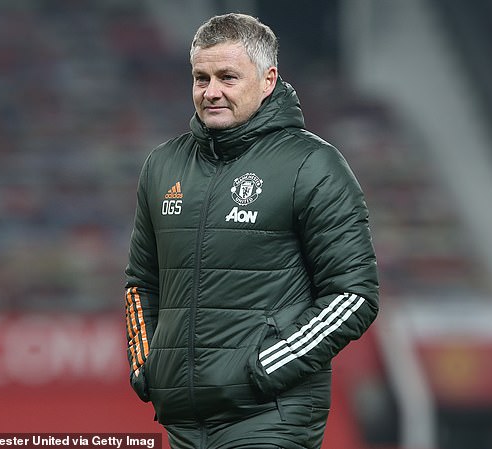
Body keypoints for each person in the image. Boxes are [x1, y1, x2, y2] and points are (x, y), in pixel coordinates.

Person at [125, 13, 379, 449]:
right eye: (201, 78)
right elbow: (141, 284)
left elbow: (353, 295)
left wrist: (264, 369)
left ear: (267, 80)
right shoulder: (163, 165)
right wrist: (148, 367)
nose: (211, 91)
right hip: (182, 422)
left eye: (227, 77)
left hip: (270, 417)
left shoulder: (312, 165)